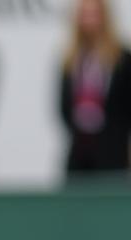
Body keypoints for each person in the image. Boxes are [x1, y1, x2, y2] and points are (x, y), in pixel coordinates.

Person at [60, 0, 131, 175]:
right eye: (85, 15)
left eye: (94, 14)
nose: (89, 20)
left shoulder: (123, 59)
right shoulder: (71, 59)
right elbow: (64, 105)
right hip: (79, 152)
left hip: (113, 152)